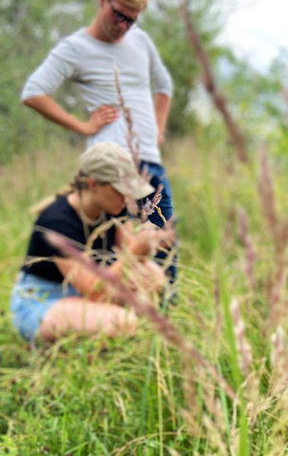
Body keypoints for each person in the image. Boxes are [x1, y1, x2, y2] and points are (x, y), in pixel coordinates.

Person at [21, 0, 174, 236]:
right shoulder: (75, 48)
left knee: (161, 251)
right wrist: (82, 126)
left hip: (150, 162)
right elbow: (33, 92)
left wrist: (159, 128)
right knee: (110, 257)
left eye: (131, 20)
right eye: (119, 15)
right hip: (110, 169)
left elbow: (164, 86)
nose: (123, 26)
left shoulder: (141, 41)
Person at [10, 142, 174, 343]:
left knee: (153, 276)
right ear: (93, 184)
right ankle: (56, 345)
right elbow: (96, 291)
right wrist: (134, 252)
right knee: (122, 322)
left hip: (84, 290)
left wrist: (151, 244)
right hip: (43, 298)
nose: (128, 196)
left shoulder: (114, 207)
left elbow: (131, 262)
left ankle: (98, 339)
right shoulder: (56, 223)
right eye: (120, 189)